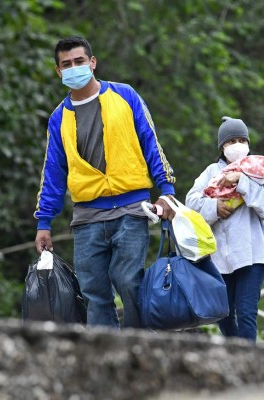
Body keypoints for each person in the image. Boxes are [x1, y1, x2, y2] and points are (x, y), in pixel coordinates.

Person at [33, 36, 177, 329]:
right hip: (87, 216)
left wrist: (167, 191)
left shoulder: (126, 96)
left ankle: (139, 346)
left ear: (92, 62)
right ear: (58, 71)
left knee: (128, 281)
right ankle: (105, 356)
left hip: (132, 207)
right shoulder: (59, 118)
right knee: (93, 292)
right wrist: (43, 222)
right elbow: (53, 174)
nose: (74, 68)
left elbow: (152, 144)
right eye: (66, 64)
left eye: (79, 61)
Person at [185, 116, 264, 342]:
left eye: (241, 140)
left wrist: (240, 181)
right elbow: (191, 203)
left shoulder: (259, 170)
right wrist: (214, 207)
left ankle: (247, 361)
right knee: (222, 312)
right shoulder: (210, 173)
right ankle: (238, 350)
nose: (237, 145)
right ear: (222, 146)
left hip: (252, 254)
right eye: (231, 141)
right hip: (220, 257)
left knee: (246, 312)